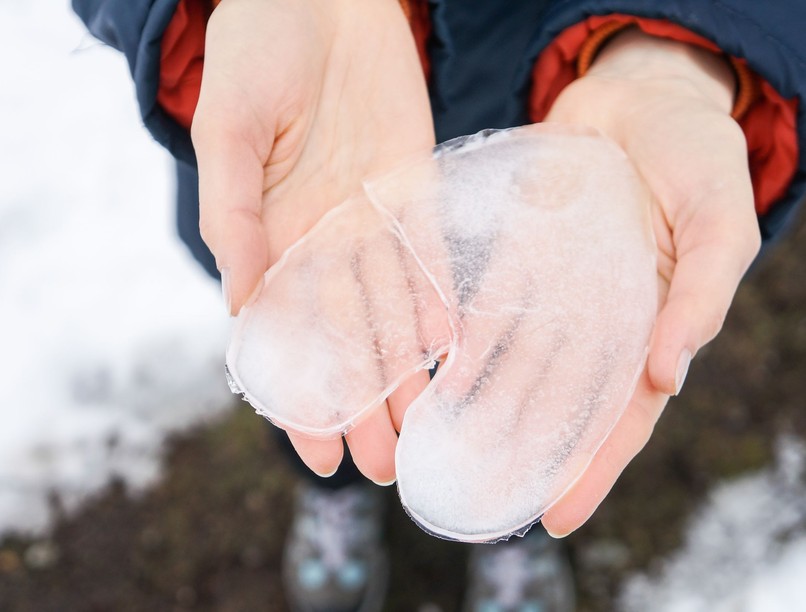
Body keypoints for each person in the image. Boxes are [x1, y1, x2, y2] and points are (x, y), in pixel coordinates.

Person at [72, 0, 806, 610]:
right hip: (310, 136)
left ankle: (513, 537)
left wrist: (681, 53)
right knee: (329, 352)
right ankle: (334, 491)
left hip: (565, 105)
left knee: (536, 389)